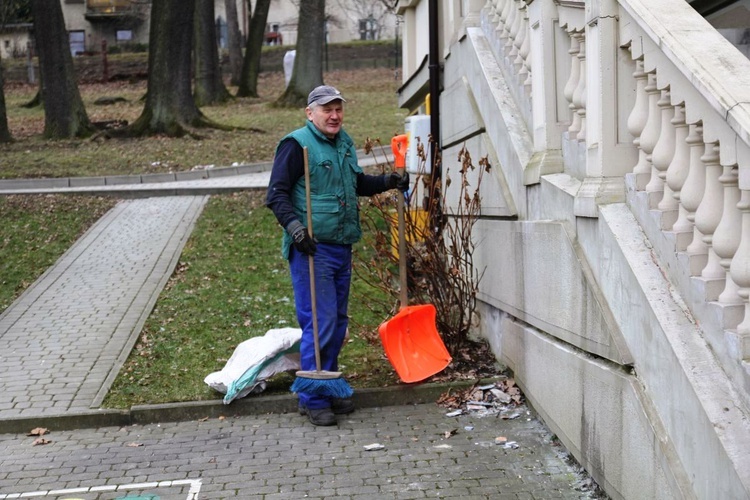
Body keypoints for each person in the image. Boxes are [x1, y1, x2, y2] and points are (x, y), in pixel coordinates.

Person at [266, 85, 409, 426]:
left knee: (337, 323)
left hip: (340, 245)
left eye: (338, 109)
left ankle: (326, 386)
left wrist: (387, 180)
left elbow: (355, 184)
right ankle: (312, 397)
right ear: (310, 113)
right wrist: (295, 228)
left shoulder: (343, 143)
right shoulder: (295, 144)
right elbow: (276, 194)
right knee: (320, 322)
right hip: (311, 249)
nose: (334, 116)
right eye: (326, 109)